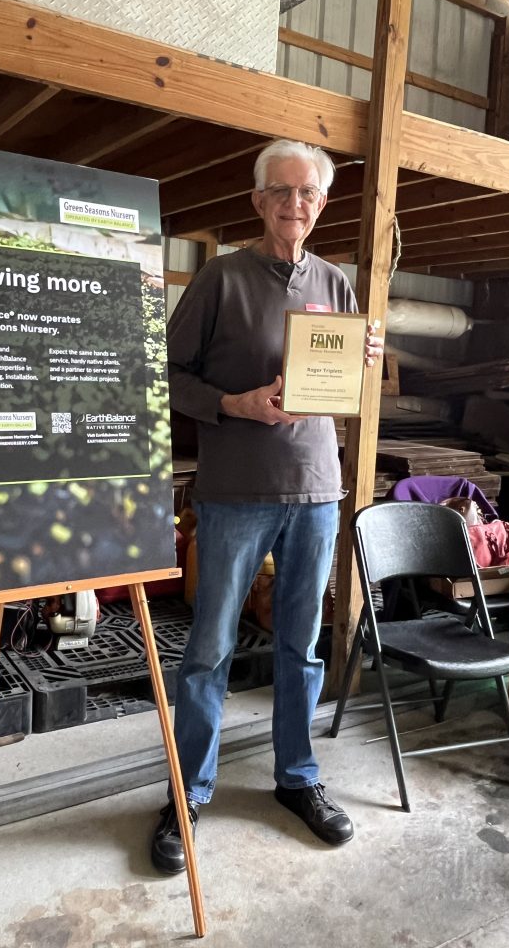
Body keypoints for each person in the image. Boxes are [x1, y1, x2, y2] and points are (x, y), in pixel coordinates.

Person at [152, 138, 384, 874]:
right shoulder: (221, 279)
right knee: (210, 651)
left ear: (321, 204)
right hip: (234, 497)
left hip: (316, 490)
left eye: (309, 194)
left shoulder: (335, 282)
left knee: (300, 646)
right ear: (258, 201)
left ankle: (299, 778)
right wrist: (232, 402)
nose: (295, 205)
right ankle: (187, 792)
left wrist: (362, 359)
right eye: (281, 192)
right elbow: (166, 373)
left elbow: (339, 386)